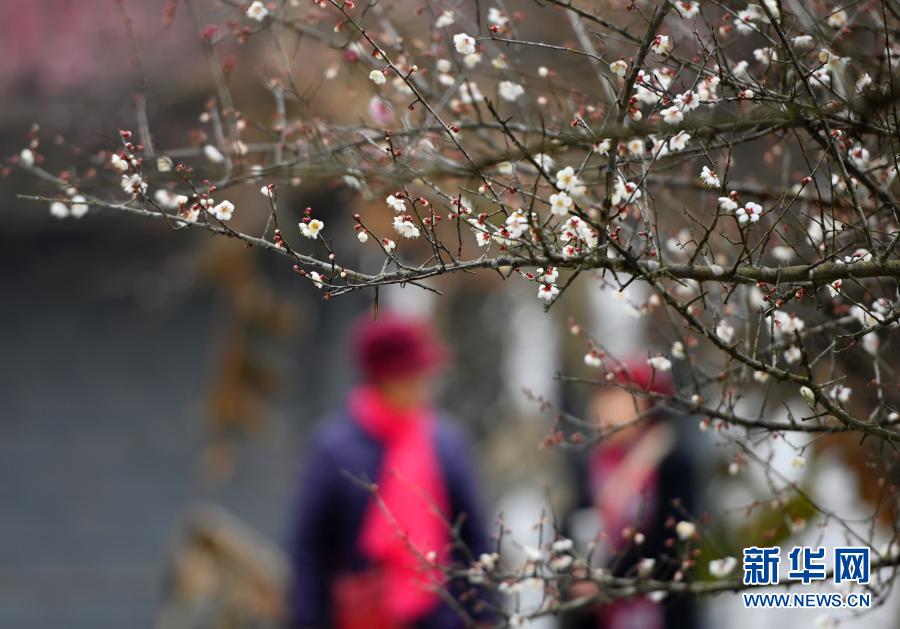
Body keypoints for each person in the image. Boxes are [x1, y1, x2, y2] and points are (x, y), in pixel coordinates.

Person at [288, 313, 494, 629]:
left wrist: (485, 616)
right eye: (410, 374)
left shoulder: (447, 444)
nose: (421, 384)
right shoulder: (335, 449)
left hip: (442, 616)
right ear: (382, 378)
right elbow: (311, 550)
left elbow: (474, 540)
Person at [564, 359, 698, 629]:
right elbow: (572, 525)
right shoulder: (593, 465)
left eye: (617, 394)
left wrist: (607, 579)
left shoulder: (669, 462)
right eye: (602, 394)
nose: (604, 406)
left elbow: (669, 542)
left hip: (656, 609)